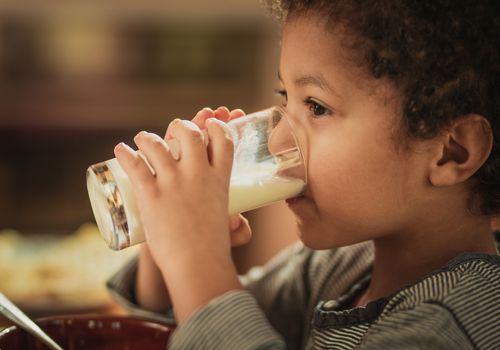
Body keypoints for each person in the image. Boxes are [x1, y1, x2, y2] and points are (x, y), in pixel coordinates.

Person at [107, 0, 500, 349]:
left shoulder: (451, 325)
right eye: (284, 98)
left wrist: (195, 258)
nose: (278, 139)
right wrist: (167, 245)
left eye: (316, 107)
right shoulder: (339, 268)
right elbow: (192, 327)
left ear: (451, 152)